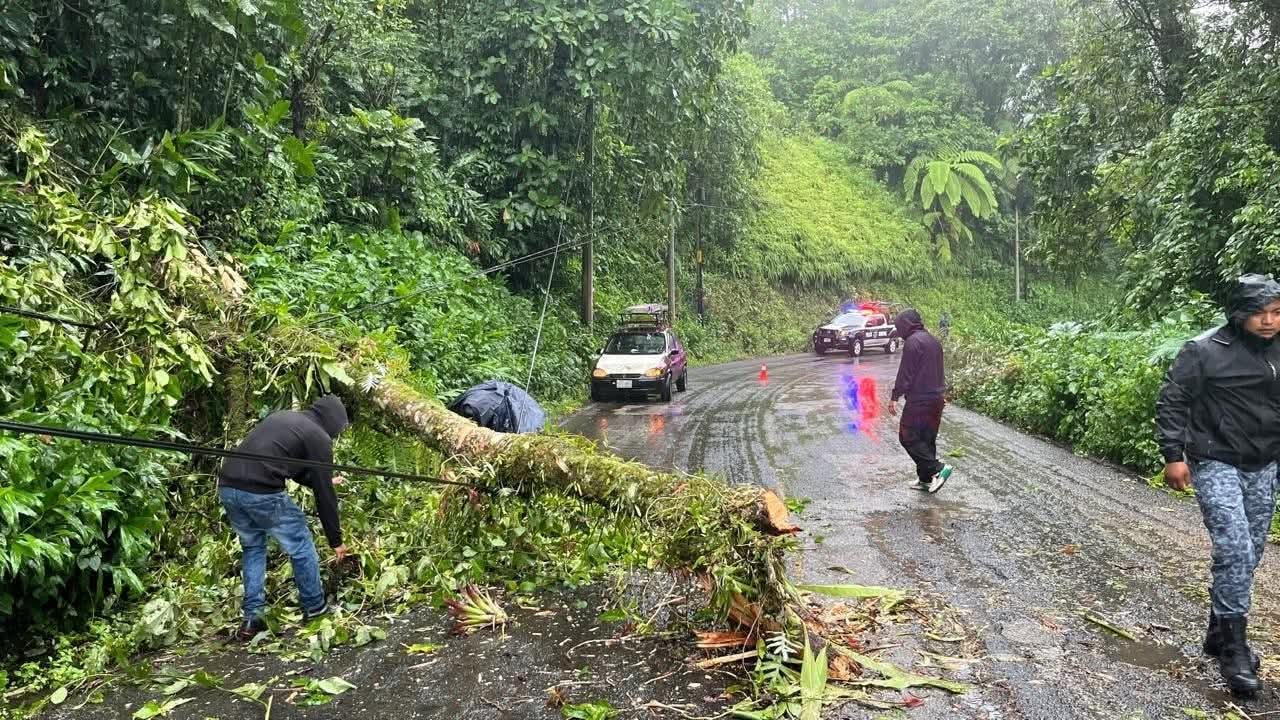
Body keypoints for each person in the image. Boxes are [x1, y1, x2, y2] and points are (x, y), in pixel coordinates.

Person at [1156, 273, 1280, 698]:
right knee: (1234, 549)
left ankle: (1217, 629)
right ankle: (1234, 649)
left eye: (1276, 312)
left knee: (1251, 554)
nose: (1268, 321)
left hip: (1264, 464)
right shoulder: (1204, 350)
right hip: (1216, 460)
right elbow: (1173, 400)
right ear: (1238, 314)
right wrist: (1173, 456)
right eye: (1259, 313)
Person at [218, 395, 351, 641]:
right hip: (261, 491)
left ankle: (252, 618)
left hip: (228, 487)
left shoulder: (287, 418)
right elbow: (325, 497)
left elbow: (290, 466)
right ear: (333, 421)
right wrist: (336, 540)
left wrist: (322, 480)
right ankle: (315, 609)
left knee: (253, 547)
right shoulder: (319, 436)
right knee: (300, 544)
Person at [887, 309, 953, 493]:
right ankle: (925, 479)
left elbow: (906, 373)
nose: (898, 330)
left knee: (907, 436)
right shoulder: (933, 340)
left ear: (906, 325)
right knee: (926, 438)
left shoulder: (913, 343)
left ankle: (937, 469)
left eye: (898, 326)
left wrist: (895, 396)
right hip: (936, 399)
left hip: (919, 400)